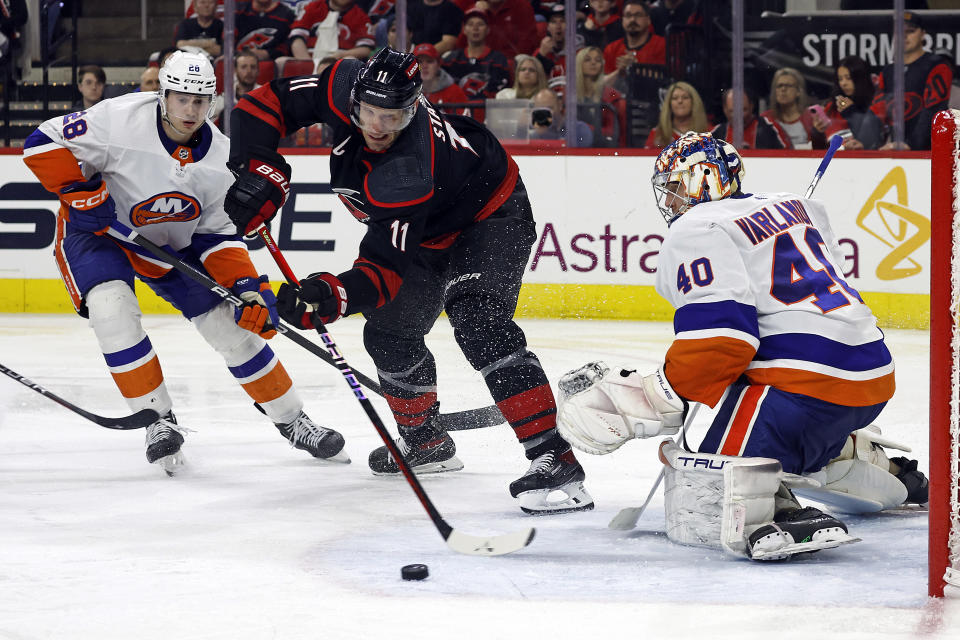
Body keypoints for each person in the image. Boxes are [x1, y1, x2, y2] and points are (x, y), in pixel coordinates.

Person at [223, 47, 594, 515]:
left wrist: (325, 296)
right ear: (354, 98)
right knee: (389, 333)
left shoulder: (407, 171)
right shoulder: (343, 84)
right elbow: (261, 105)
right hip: (427, 230)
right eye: (369, 113)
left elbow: (380, 275)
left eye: (393, 117)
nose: (377, 127)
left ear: (414, 108)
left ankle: (553, 459)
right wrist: (260, 166)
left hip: (489, 216)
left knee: (478, 319)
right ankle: (426, 443)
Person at [555, 131, 928, 560]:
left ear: (704, 179)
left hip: (802, 384)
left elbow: (723, 341)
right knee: (788, 423)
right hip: (872, 373)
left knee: (710, 480)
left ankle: (781, 514)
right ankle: (874, 465)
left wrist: (654, 395)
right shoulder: (793, 206)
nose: (670, 202)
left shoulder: (698, 227)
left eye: (676, 187)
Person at [21, 51, 349, 474]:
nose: (191, 110)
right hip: (100, 234)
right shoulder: (117, 119)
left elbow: (218, 236)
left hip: (172, 244)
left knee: (231, 327)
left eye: (201, 101)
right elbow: (41, 142)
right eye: (182, 99)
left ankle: (292, 419)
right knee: (112, 309)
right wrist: (79, 191)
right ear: (163, 95)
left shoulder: (221, 160)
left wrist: (247, 287)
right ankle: (157, 421)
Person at [871, 11, 952, 151]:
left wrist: (911, 144)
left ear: (922, 34)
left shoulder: (937, 65)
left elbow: (933, 110)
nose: (905, 36)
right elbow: (878, 112)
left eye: (911, 31)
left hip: (930, 151)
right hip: (896, 149)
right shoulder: (888, 71)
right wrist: (865, 142)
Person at [822, 55, 884, 151]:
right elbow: (821, 145)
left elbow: (871, 142)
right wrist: (816, 131)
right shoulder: (832, 107)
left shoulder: (875, 104)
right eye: (840, 79)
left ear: (860, 78)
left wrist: (851, 113)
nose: (843, 83)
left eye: (848, 78)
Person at [602, 0, 665, 93]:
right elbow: (603, 86)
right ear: (623, 20)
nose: (632, 20)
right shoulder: (611, 49)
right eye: (628, 15)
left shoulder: (662, 45)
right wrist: (620, 71)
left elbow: (663, 80)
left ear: (648, 20)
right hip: (618, 102)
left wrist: (635, 67)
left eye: (638, 15)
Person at [761, 67, 827, 150]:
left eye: (788, 85)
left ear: (799, 91)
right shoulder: (766, 119)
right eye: (779, 86)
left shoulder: (812, 117)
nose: (783, 89)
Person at [288, 0, 375, 62]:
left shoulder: (361, 16)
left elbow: (365, 48)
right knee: (281, 62)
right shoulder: (312, 7)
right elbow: (296, 38)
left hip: (339, 62)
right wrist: (307, 63)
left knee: (349, 60)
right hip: (309, 57)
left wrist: (341, 56)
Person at [575, 46, 626, 146]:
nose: (593, 63)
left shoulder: (612, 97)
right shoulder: (570, 95)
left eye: (598, 60)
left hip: (604, 149)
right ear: (579, 64)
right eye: (587, 60)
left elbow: (612, 133)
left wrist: (585, 129)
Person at [710, 87, 788, 150]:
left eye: (743, 110)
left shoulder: (769, 128)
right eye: (732, 111)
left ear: (752, 106)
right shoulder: (716, 133)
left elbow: (788, 155)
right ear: (725, 110)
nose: (739, 116)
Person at [645, 80, 708, 149]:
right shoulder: (657, 134)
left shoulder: (708, 132)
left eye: (685, 97)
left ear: (694, 102)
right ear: (669, 104)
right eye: (675, 98)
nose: (680, 101)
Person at [415, 43, 472, 117]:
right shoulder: (406, 92)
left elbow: (464, 124)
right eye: (419, 62)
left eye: (429, 61)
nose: (424, 66)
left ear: (438, 64)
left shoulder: (454, 91)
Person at [528, 86, 594, 147]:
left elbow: (582, 156)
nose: (545, 113)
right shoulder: (532, 131)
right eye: (541, 109)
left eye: (549, 108)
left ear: (559, 105)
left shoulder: (579, 129)